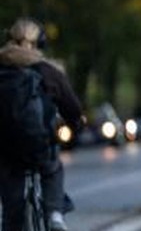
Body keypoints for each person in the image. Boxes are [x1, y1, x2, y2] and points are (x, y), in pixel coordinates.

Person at [0, 17, 82, 231]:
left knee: (12, 208)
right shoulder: (48, 71)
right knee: (52, 168)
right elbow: (73, 109)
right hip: (39, 145)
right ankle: (55, 215)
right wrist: (74, 131)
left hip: (5, 150)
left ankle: (14, 224)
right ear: (40, 44)